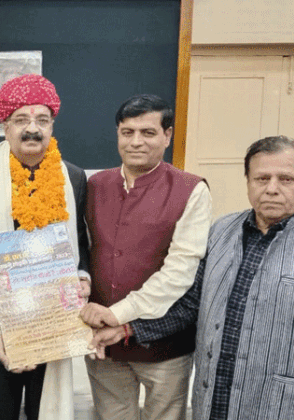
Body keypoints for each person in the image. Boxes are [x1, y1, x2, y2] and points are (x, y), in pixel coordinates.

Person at [90, 136, 294, 420]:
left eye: (286, 179)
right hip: (216, 405)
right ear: (248, 181)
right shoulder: (221, 232)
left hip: (291, 409)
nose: (272, 189)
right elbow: (190, 307)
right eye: (262, 178)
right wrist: (127, 330)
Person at [0, 74, 91, 420]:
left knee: (43, 412)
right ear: (5, 126)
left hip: (52, 327)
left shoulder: (73, 177)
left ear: (52, 126)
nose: (32, 129)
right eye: (21, 120)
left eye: (42, 120)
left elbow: (80, 243)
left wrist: (84, 277)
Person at [79, 94, 213, 420]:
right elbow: (79, 251)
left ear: (167, 135)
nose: (136, 142)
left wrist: (118, 315)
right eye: (127, 132)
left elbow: (181, 272)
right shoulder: (95, 184)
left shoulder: (191, 190)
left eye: (148, 133)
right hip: (103, 345)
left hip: (164, 347)